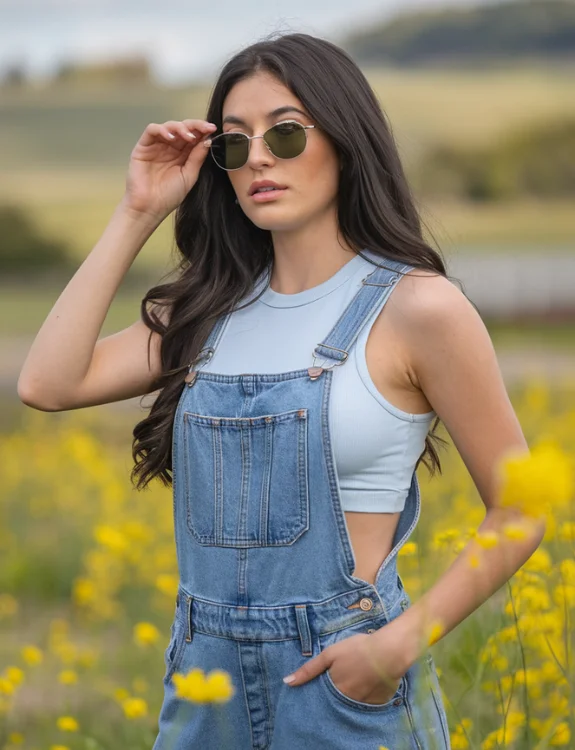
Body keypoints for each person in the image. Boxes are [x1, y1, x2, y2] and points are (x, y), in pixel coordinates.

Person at [18, 31, 542, 750]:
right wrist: (138, 210)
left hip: (342, 686)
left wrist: (392, 648)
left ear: (345, 141)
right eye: (234, 143)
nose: (258, 156)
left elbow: (519, 505)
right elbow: (47, 383)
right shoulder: (203, 313)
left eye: (285, 133)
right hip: (205, 686)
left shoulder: (419, 310)